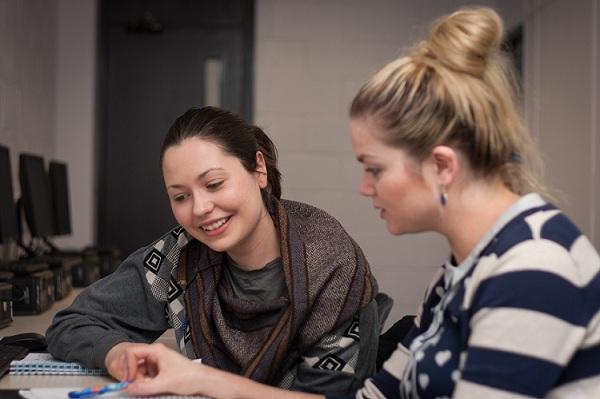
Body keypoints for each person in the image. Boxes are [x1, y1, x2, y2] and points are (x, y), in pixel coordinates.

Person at [114, 7, 600, 399]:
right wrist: (199, 380)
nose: (365, 189)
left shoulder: (533, 269)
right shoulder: (459, 274)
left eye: (375, 169)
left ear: (442, 166)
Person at [45, 106, 384, 396]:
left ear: (259, 170)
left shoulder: (330, 263)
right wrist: (117, 354)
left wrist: (204, 381)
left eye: (214, 184)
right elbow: (71, 323)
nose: (200, 208)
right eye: (181, 196)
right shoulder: (179, 255)